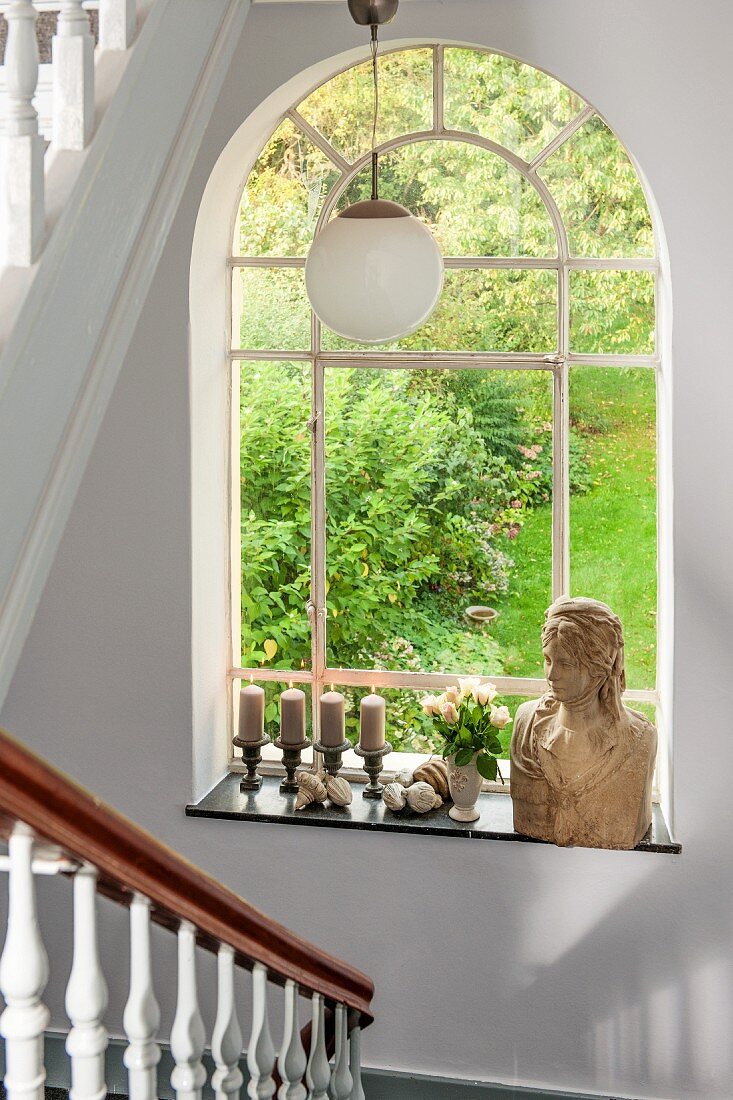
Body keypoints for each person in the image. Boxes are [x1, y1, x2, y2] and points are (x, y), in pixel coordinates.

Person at [510, 596, 657, 849]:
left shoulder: (640, 740)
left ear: (599, 666)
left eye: (566, 663)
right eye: (548, 660)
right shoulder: (526, 724)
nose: (551, 675)